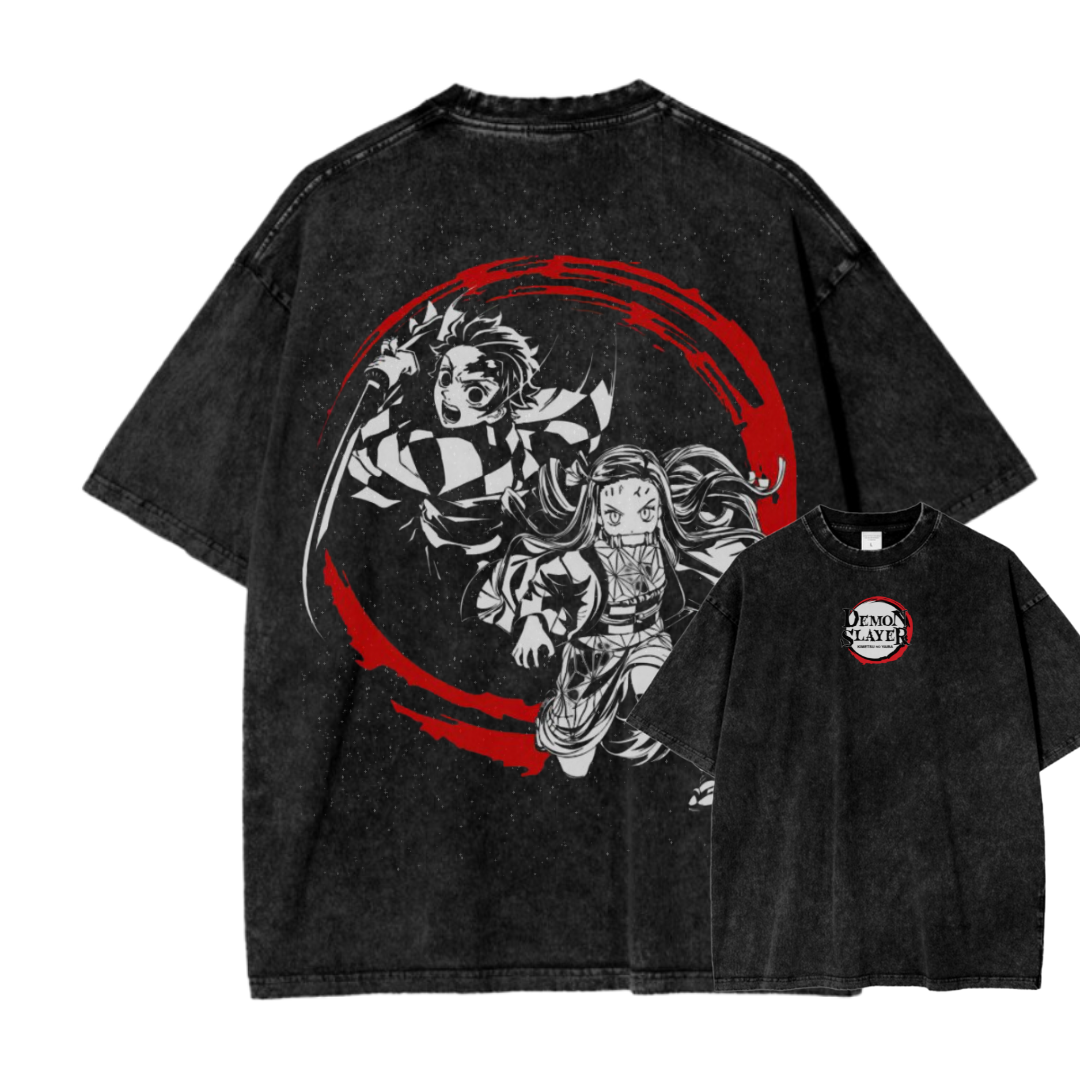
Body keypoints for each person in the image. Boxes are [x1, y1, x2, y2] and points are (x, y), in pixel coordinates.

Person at [473, 443, 782, 807]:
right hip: (592, 656)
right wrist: (533, 625)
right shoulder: (580, 558)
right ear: (598, 514)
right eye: (616, 515)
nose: (633, 525)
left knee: (662, 688)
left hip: (648, 640)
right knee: (572, 753)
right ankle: (572, 800)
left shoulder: (663, 547)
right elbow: (544, 589)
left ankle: (717, 773)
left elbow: (713, 567)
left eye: (646, 512)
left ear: (660, 508)